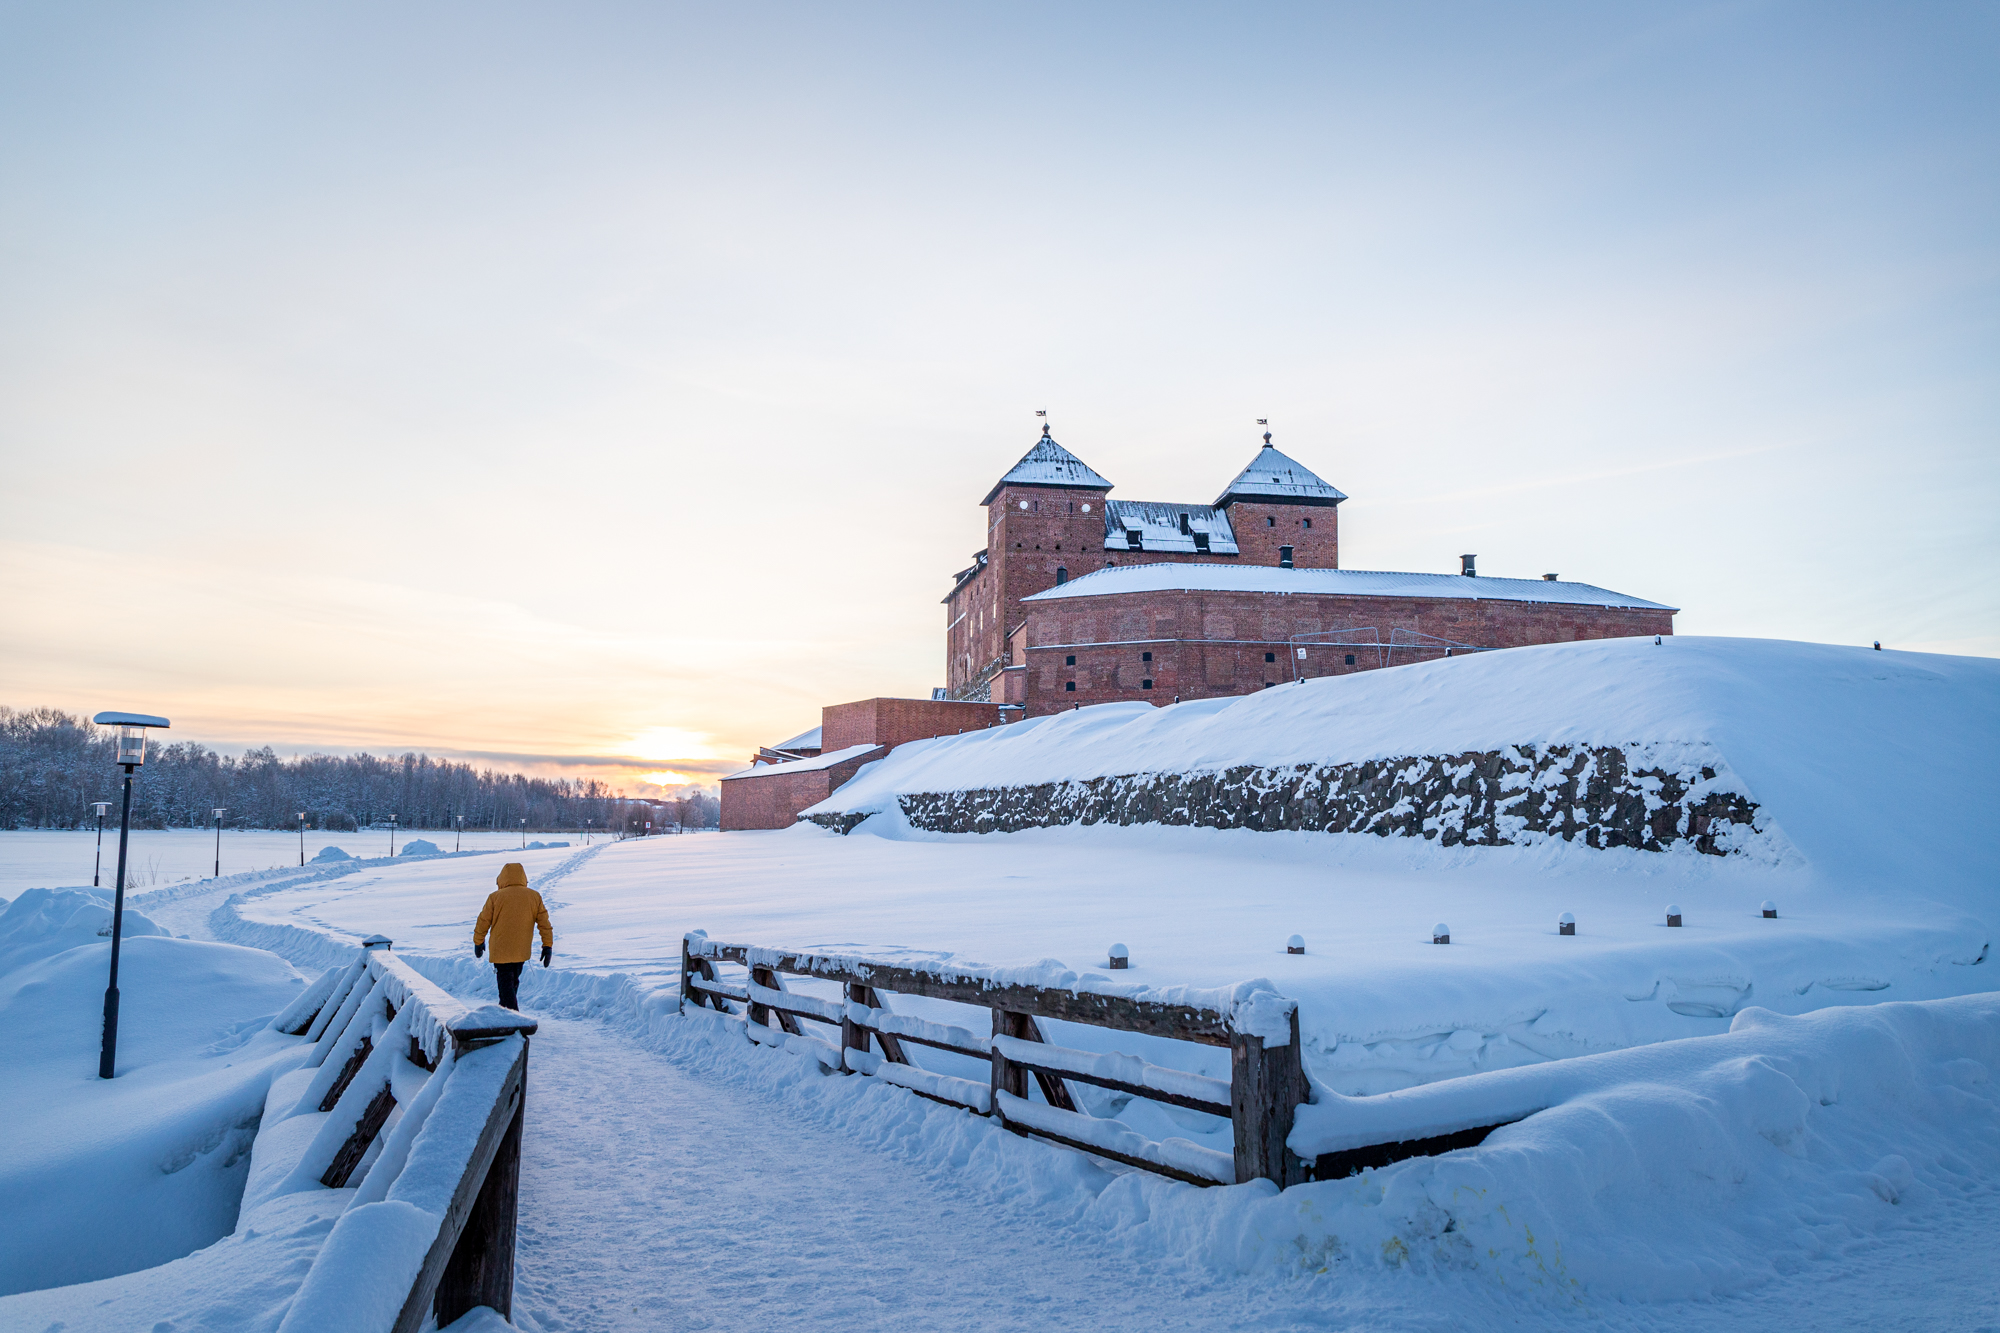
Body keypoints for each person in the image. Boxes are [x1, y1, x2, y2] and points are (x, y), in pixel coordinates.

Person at [473, 862, 554, 1011]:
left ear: (502, 878)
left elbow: (483, 921)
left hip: (501, 950)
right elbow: (544, 924)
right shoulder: (534, 896)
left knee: (506, 984)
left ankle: (513, 1020)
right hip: (521, 950)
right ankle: (505, 1013)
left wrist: (478, 942)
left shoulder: (495, 897)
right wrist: (547, 945)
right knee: (512, 983)